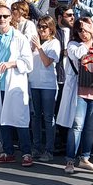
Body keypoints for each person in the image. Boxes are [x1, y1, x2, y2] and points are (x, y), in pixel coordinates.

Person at [0, 5, 35, 167]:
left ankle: (26, 153)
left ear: (11, 17)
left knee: (20, 120)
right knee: (3, 119)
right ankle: (7, 152)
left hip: (15, 85)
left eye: (5, 16)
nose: (2, 19)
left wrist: (11, 64)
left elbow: (29, 63)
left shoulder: (19, 38)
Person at [58, 19, 93, 175]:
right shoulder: (73, 45)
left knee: (90, 128)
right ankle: (70, 160)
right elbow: (79, 54)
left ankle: (85, 158)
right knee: (77, 126)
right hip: (78, 91)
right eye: (80, 30)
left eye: (86, 30)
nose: (84, 33)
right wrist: (90, 41)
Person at [28, 15, 61, 162]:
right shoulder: (35, 43)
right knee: (35, 117)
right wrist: (32, 48)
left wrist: (39, 48)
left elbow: (47, 62)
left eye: (44, 27)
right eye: (39, 27)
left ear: (51, 28)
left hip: (48, 85)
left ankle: (49, 150)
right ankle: (36, 147)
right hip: (34, 83)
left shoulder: (54, 43)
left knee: (48, 117)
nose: (41, 30)